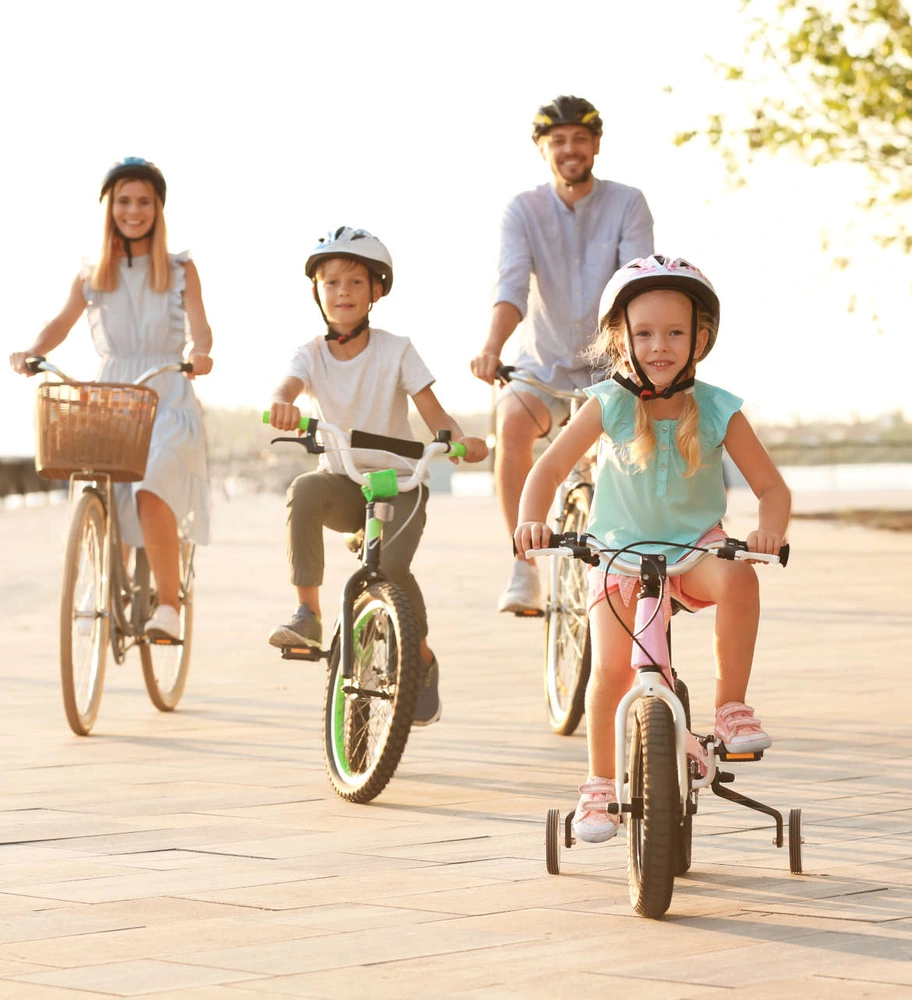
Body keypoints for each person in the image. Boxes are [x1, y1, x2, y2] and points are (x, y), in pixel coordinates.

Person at [514, 255, 791, 842]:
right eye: (644, 333)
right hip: (618, 555)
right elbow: (549, 468)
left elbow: (771, 488)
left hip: (694, 552)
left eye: (674, 332)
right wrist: (530, 521)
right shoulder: (608, 402)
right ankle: (598, 783)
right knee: (611, 671)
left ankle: (731, 708)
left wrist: (769, 529)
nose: (659, 345)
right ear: (623, 339)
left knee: (741, 576)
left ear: (700, 338)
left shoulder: (717, 407)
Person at [267, 227, 488, 726]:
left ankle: (422, 660)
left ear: (376, 291)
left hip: (399, 484)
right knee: (302, 489)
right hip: (344, 481)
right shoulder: (311, 353)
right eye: (331, 283)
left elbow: (434, 413)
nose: (341, 292)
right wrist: (282, 403)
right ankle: (308, 615)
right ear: (317, 292)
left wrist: (458, 441)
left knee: (391, 566)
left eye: (354, 282)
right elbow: (289, 383)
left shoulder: (397, 350)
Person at [10, 157, 213, 639]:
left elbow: (202, 327)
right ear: (109, 207)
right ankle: (101, 586)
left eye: (144, 201)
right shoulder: (91, 275)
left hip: (167, 393)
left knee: (151, 483)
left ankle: (168, 606)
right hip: (114, 397)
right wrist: (33, 352)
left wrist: (200, 353)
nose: (133, 210)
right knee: (104, 486)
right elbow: (60, 323)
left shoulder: (181, 269)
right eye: (123, 200)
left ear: (158, 208)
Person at [470, 95, 654, 613]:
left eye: (579, 139)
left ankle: (635, 563)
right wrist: (490, 347)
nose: (569, 149)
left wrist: (642, 357)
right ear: (543, 150)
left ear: (596, 145)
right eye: (558, 142)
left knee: (630, 453)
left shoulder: (627, 203)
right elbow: (511, 288)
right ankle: (523, 566)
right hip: (542, 362)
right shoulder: (523, 210)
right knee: (511, 426)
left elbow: (635, 286)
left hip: (610, 363)